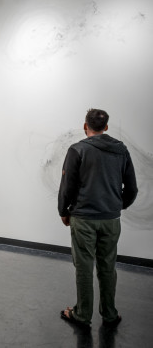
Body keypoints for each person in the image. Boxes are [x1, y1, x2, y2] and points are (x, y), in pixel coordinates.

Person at [58, 109, 138, 328]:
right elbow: (131, 188)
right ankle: (110, 314)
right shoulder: (121, 150)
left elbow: (67, 186)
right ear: (107, 127)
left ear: (86, 127)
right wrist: (117, 206)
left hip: (83, 218)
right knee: (108, 266)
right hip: (111, 220)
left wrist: (63, 211)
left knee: (84, 267)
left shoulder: (77, 150)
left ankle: (82, 314)